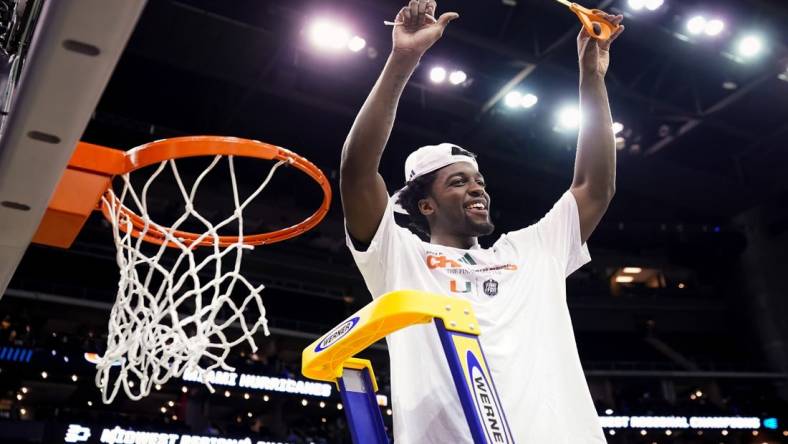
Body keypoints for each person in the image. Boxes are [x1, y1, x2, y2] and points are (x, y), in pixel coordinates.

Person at [339, 1, 624, 442]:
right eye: (458, 182)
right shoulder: (400, 258)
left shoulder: (530, 251)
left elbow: (594, 187)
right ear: (425, 206)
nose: (477, 189)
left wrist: (592, 74)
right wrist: (404, 58)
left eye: (479, 181)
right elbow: (357, 173)